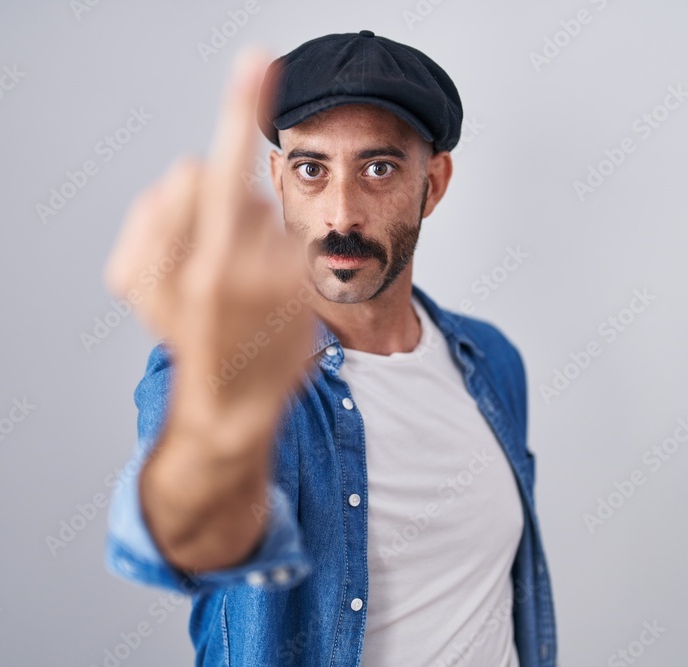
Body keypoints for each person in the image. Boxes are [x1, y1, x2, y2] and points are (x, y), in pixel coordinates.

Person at [102, 30, 557, 667]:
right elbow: (196, 538)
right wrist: (218, 431)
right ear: (277, 178)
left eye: (379, 169)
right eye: (311, 170)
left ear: (434, 182)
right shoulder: (222, 370)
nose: (341, 214)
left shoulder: (492, 360)